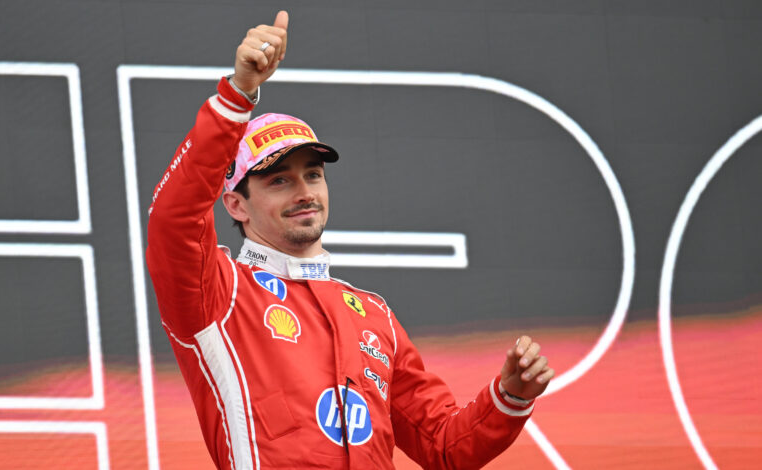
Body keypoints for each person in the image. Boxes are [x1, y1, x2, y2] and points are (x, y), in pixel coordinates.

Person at [146, 10, 555, 470]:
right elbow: (173, 221)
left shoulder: (373, 315)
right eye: (279, 180)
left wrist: (510, 398)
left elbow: (444, 445)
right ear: (236, 205)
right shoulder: (219, 294)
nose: (304, 192)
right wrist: (238, 96)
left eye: (313, 175)